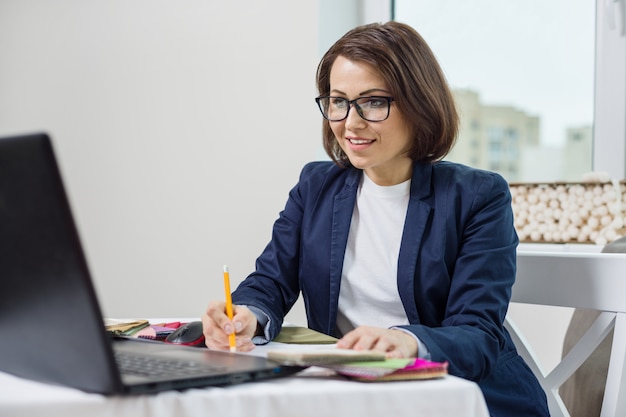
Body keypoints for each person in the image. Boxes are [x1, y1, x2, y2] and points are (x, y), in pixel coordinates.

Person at [202, 21, 549, 417]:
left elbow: (478, 334)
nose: (351, 122)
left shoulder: (477, 197)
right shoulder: (315, 186)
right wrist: (247, 316)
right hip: (359, 398)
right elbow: (270, 282)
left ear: (418, 105)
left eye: (373, 102)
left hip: (465, 398)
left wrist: (405, 342)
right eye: (338, 101)